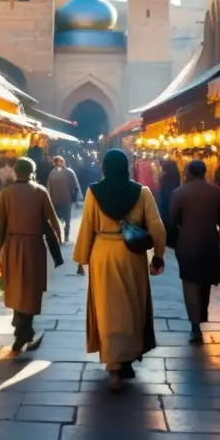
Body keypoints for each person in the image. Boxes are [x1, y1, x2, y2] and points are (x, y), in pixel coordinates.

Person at [73, 149, 167, 393]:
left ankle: (113, 361)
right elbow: (157, 228)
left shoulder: (94, 192)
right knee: (131, 307)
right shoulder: (141, 192)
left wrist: (81, 258)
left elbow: (87, 227)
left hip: (103, 253)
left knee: (107, 308)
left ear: (105, 167)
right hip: (131, 255)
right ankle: (125, 360)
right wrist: (158, 257)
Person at [0, 157, 62, 353]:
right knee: (31, 289)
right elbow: (52, 219)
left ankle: (22, 330)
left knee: (15, 287)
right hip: (34, 246)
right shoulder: (40, 191)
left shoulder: (6, 193)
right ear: (32, 171)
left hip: (12, 246)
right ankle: (24, 333)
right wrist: (59, 237)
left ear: (15, 171)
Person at [169, 160, 220, 343]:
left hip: (187, 243)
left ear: (188, 172)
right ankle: (201, 317)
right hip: (209, 242)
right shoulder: (215, 192)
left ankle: (195, 326)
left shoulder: (178, 193)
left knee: (190, 283)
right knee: (205, 282)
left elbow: (171, 223)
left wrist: (174, 242)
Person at [47, 155, 81, 243]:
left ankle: (66, 235)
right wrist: (48, 198)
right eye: (56, 161)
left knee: (67, 219)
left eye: (60, 161)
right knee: (56, 219)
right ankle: (58, 235)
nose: (58, 163)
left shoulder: (69, 172)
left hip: (67, 199)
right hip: (55, 200)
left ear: (63, 162)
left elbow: (76, 185)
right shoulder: (52, 173)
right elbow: (48, 187)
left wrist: (77, 199)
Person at [157, 158, 182, 248]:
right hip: (172, 207)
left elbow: (165, 193)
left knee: (167, 226)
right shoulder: (176, 176)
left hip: (166, 206)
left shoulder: (165, 178)